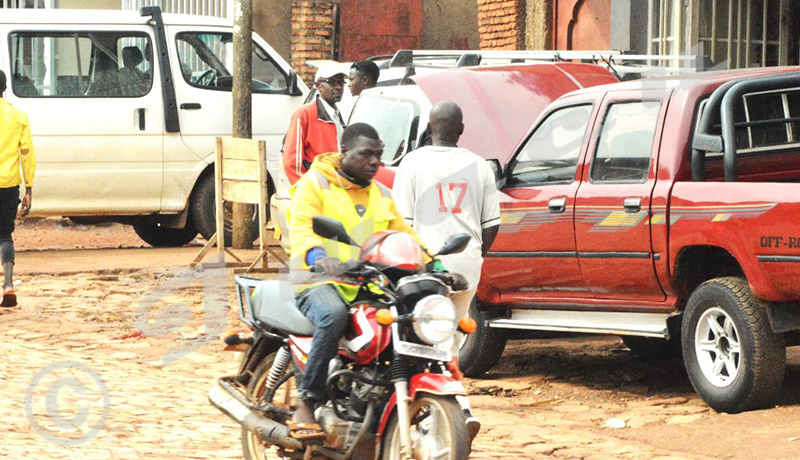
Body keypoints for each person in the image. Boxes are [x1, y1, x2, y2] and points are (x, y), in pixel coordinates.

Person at [287, 122, 465, 436]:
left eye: (379, 155)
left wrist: (436, 266)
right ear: (344, 151)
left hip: (367, 282)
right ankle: (308, 402)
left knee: (407, 320)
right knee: (333, 316)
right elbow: (302, 228)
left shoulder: (379, 192)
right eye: (366, 154)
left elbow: (405, 234)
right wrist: (318, 258)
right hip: (318, 280)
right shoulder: (314, 183)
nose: (375, 162)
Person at [392, 101, 501, 440]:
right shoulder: (480, 165)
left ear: (428, 126)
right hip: (466, 265)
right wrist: (476, 253)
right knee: (449, 341)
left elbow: (401, 224)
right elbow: (492, 224)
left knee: (417, 342)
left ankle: (435, 416)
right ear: (462, 130)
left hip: (423, 266)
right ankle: (456, 411)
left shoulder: (411, 163)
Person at [0, 70, 36, 308]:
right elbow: (27, 155)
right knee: (4, 234)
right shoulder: (18, 116)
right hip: (8, 184)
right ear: (4, 88)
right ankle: (9, 285)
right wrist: (29, 187)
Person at [281, 64, 348, 185]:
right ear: (318, 86)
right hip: (315, 191)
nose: (338, 87)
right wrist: (306, 190)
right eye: (332, 82)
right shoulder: (303, 114)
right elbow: (291, 162)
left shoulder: (337, 116)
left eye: (341, 83)